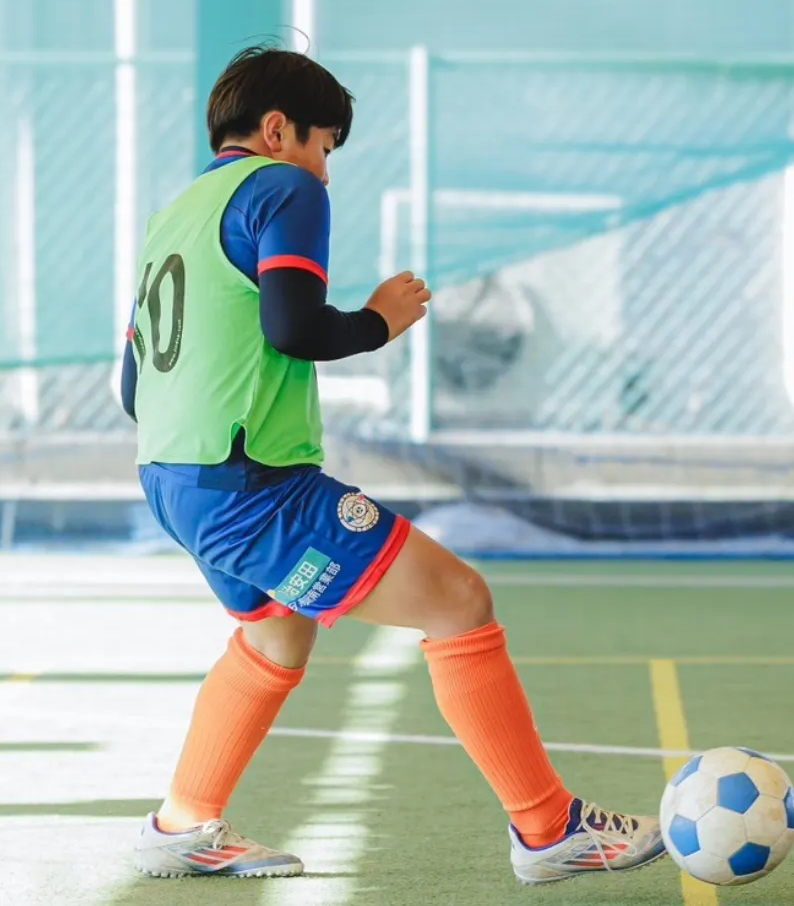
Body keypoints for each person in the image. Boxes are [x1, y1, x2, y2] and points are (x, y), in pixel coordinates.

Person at [120, 45, 665, 883]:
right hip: (251, 484)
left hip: (171, 475)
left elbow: (132, 384)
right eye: (324, 146)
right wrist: (380, 320)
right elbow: (294, 329)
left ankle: (183, 822)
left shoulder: (177, 214)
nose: (324, 173)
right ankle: (548, 828)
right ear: (277, 130)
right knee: (457, 601)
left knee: (276, 632)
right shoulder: (282, 189)